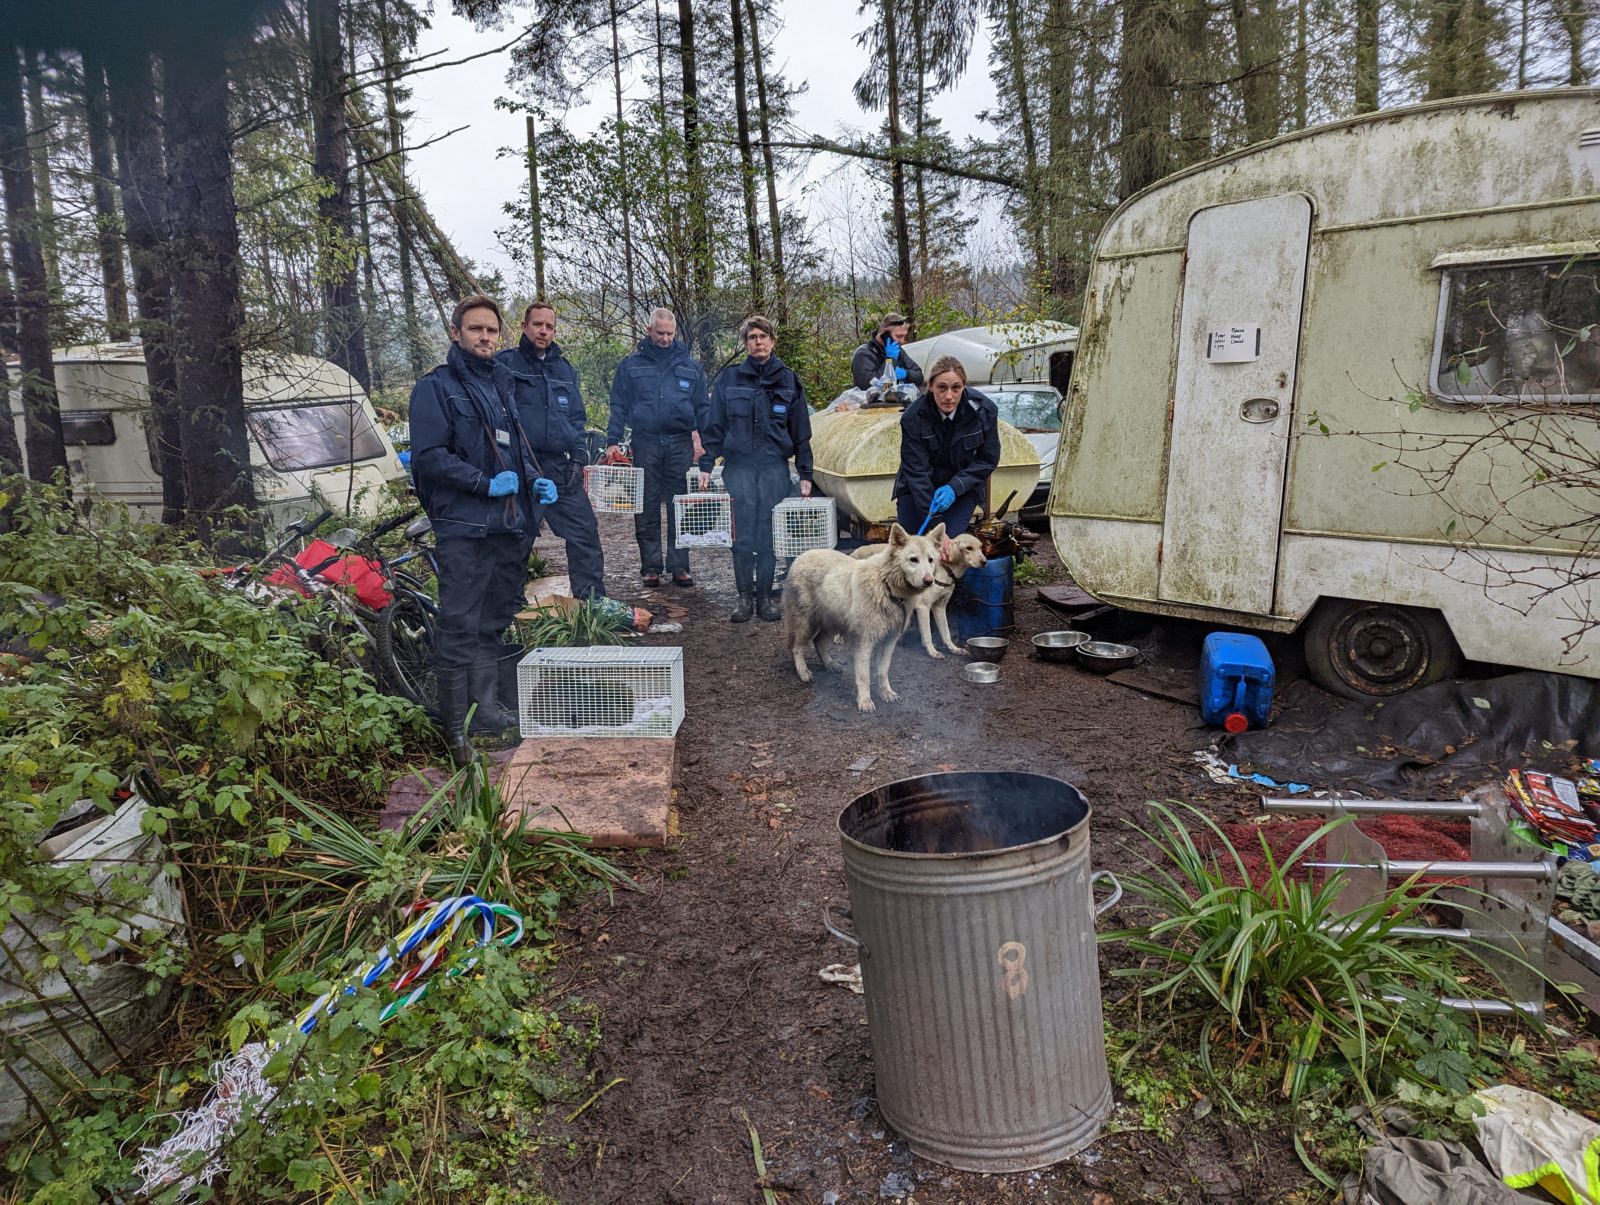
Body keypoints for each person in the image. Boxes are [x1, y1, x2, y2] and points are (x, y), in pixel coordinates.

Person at [409, 294, 557, 764]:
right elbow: (429, 458)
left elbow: (513, 448)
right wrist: (483, 484)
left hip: (508, 527)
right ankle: (456, 735)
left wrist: (534, 480)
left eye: (491, 330)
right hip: (465, 528)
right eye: (476, 329)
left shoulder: (500, 383)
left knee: (493, 620)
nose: (485, 337)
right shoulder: (435, 388)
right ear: (456, 332)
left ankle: (487, 709)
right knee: (458, 626)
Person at [702, 314, 813, 623]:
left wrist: (805, 473)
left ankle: (764, 599)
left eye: (763, 336)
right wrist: (706, 464)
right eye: (752, 337)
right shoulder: (729, 379)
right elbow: (714, 426)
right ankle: (743, 598)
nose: (758, 342)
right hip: (738, 468)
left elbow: (801, 430)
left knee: (767, 532)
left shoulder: (788, 380)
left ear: (772, 341)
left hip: (773, 468)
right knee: (741, 532)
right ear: (745, 343)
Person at [497, 301, 605, 600]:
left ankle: (591, 604)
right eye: (537, 325)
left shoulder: (564, 370)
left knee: (585, 534)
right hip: (520, 468)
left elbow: (577, 420)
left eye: (549, 326)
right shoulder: (505, 364)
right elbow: (496, 417)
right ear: (524, 326)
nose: (543, 331)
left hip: (559, 468)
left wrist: (579, 460)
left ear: (554, 331)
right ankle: (510, 610)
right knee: (515, 540)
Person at [607, 307, 710, 588]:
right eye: (660, 333)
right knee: (647, 504)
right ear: (648, 330)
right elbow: (618, 404)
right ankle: (651, 567)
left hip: (680, 442)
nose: (665, 338)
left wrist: (708, 447)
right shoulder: (631, 365)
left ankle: (680, 566)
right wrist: (612, 440)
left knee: (681, 504)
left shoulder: (691, 367)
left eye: (670, 334)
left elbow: (703, 409)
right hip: (646, 441)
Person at [892, 355, 999, 538]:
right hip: (917, 488)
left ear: (963, 386)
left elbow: (987, 459)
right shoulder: (913, 418)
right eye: (942, 387)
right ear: (930, 386)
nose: (949, 396)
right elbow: (916, 471)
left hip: (963, 486)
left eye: (956, 388)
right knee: (910, 544)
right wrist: (935, 525)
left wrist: (955, 487)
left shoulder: (983, 412)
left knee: (950, 542)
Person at [851, 312, 925, 392]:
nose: (902, 341)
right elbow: (868, 387)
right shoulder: (863, 353)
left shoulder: (898, 351)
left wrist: (907, 374)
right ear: (884, 334)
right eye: (899, 336)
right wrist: (890, 361)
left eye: (904, 336)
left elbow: (920, 377)